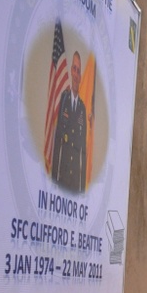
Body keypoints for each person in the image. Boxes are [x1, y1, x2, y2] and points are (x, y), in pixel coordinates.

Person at [51, 51, 87, 193]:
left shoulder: (82, 109)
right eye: (74, 69)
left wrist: (82, 188)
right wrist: (53, 178)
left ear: (80, 76)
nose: (76, 74)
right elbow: (58, 138)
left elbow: (83, 149)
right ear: (71, 71)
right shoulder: (64, 99)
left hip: (75, 182)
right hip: (63, 175)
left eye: (79, 71)